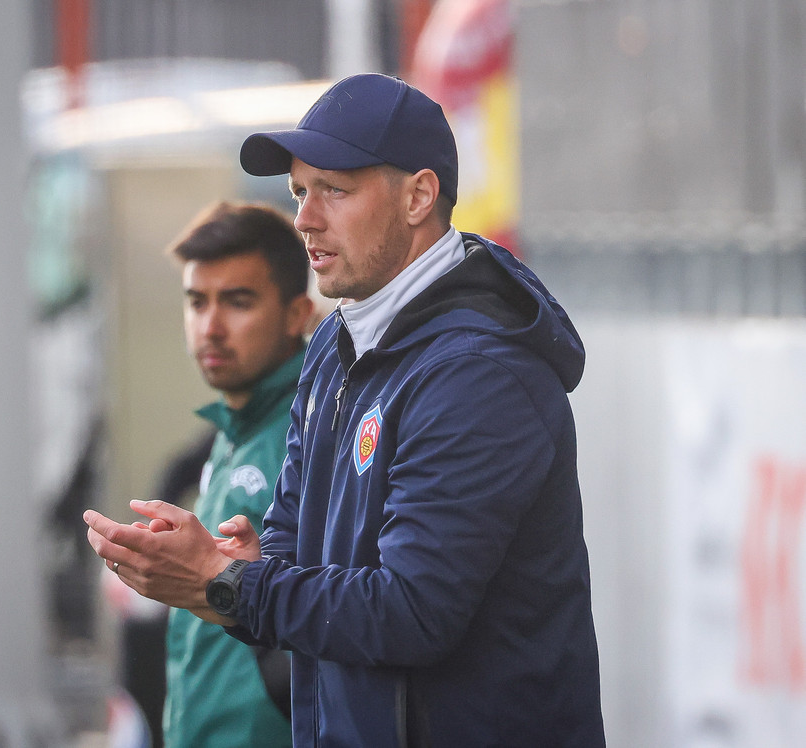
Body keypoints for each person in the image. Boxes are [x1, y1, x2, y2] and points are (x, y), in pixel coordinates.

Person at [85, 73, 606, 747]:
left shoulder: (479, 372)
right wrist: (237, 567)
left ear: (418, 196)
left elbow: (413, 613)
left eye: (333, 189)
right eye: (299, 192)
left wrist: (227, 582)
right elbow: (289, 543)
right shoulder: (337, 342)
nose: (304, 218)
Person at [157, 202, 313, 747]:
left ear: (297, 314)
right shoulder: (235, 427)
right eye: (197, 302)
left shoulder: (314, 428)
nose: (211, 327)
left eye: (238, 302)